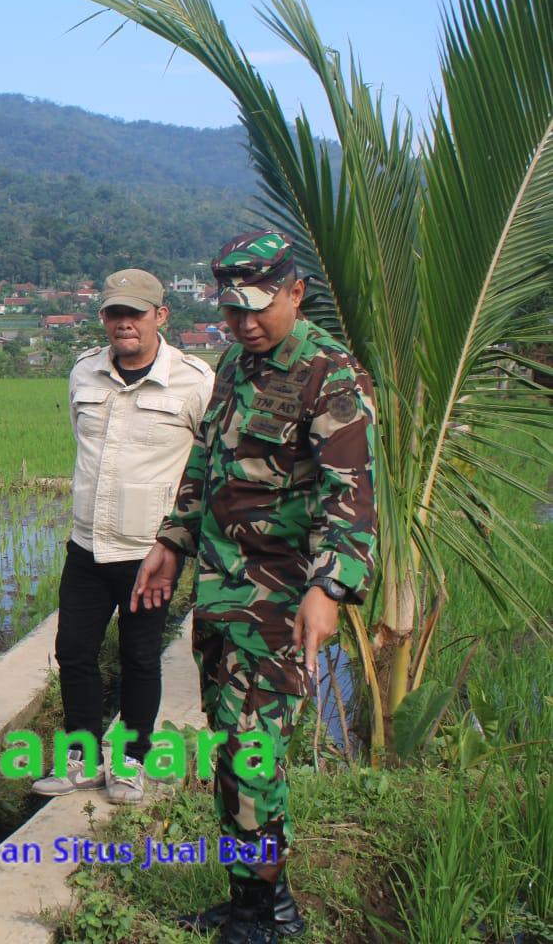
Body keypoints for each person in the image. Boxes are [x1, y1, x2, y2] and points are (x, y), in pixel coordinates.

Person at [132, 231, 377, 944]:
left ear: (296, 293)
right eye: (232, 310)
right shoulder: (239, 364)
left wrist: (330, 590)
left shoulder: (328, 377)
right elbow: (206, 464)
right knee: (234, 749)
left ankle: (268, 912)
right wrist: (171, 544)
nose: (243, 323)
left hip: (277, 601)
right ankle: (252, 901)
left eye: (257, 309)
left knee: (251, 752)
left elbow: (352, 499)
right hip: (224, 596)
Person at [33, 268, 212, 804]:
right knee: (74, 650)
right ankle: (82, 760)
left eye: (136, 313)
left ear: (161, 316)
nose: (124, 323)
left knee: (139, 657)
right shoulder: (84, 373)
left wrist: (178, 543)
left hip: (148, 553)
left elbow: (206, 467)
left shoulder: (195, 380)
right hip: (86, 544)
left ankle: (131, 760)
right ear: (103, 318)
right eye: (115, 313)